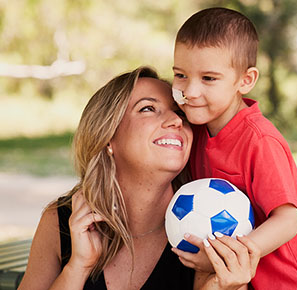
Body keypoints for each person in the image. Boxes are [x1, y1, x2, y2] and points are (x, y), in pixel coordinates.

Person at [18, 66, 260, 290]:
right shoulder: (61, 221)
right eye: (148, 108)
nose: (177, 120)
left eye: (180, 113)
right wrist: (78, 267)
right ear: (108, 137)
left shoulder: (215, 226)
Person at [170, 8, 297, 289]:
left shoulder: (260, 141)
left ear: (245, 81)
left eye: (208, 78)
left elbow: (287, 221)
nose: (191, 91)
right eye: (181, 75)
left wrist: (226, 256)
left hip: (289, 283)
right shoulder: (195, 130)